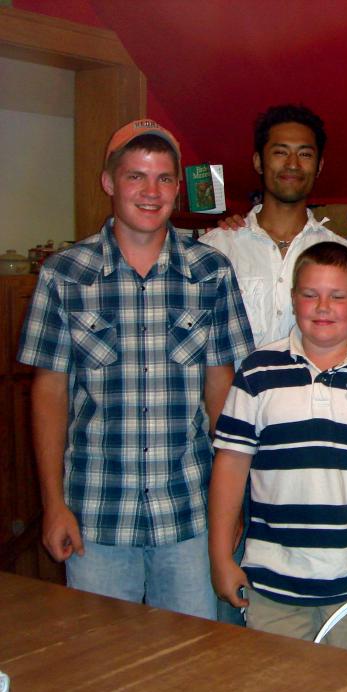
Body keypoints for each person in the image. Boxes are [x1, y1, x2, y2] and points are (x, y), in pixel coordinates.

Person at [18, 119, 253, 618]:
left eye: (164, 178)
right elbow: (50, 394)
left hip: (190, 515)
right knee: (103, 670)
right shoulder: (64, 275)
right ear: (109, 181)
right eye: (135, 176)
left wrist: (232, 507)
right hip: (97, 517)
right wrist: (53, 503)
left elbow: (222, 393)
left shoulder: (211, 273)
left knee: (190, 666)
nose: (151, 192)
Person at [207, 242, 347, 650]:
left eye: (338, 296)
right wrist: (221, 557)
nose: (322, 307)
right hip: (273, 581)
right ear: (293, 300)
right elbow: (230, 464)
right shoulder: (258, 371)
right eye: (310, 295)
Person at [201, 104, 347, 349]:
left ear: (319, 166)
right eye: (280, 152)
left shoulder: (342, 254)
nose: (293, 164)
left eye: (305, 154)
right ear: (258, 162)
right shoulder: (216, 249)